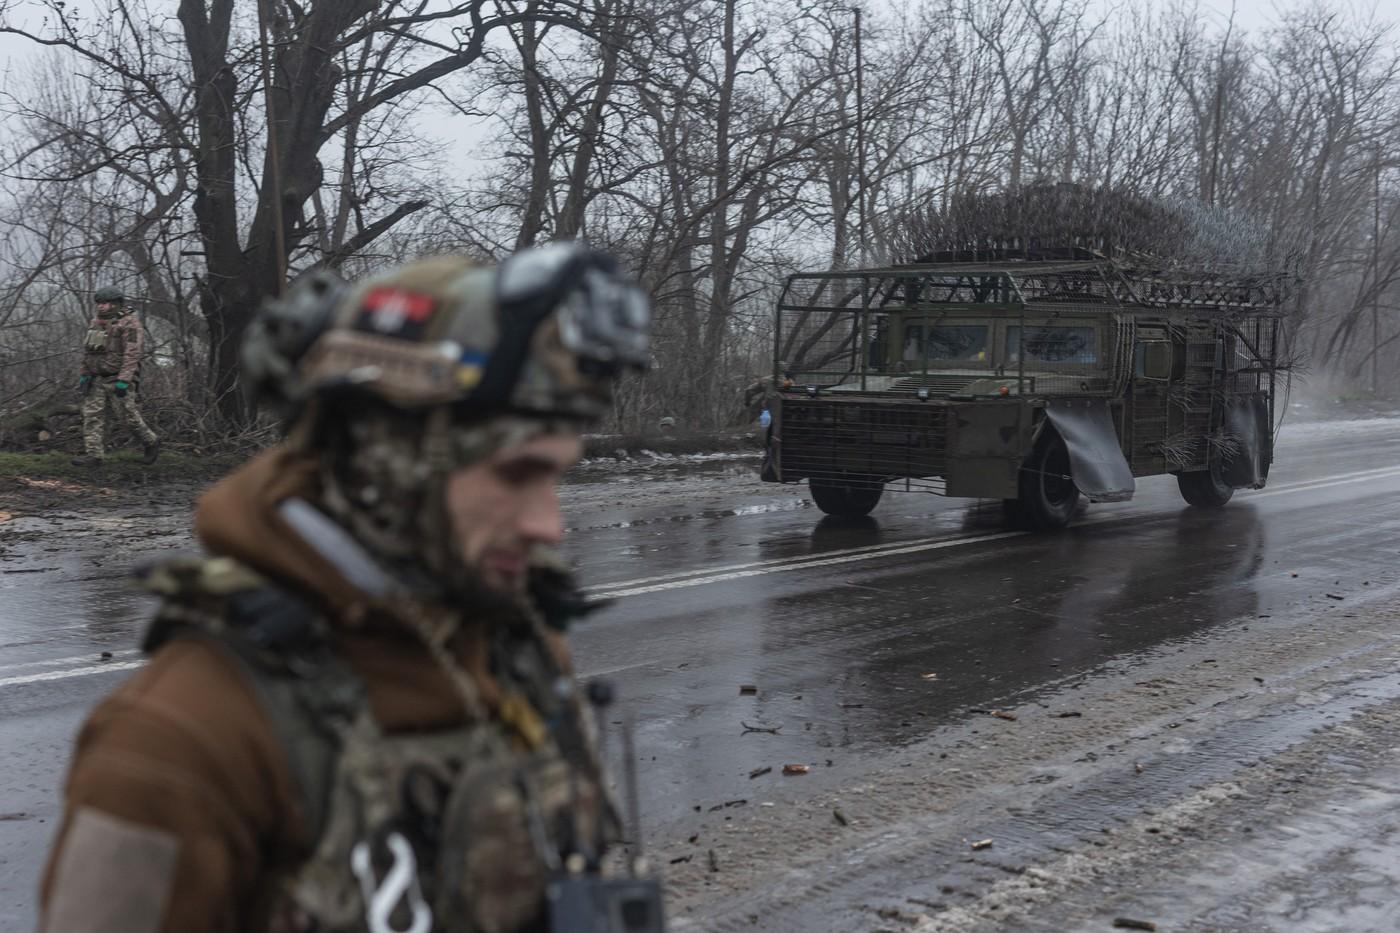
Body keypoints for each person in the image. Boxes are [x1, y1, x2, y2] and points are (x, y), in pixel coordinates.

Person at [38, 244, 656, 933]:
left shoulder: (518, 648)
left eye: (555, 475)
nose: (548, 524)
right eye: (515, 475)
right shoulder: (179, 742)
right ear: (388, 459)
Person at [73, 286, 160, 466]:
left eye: (105, 303)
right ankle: (94, 455)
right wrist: (84, 373)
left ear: (116, 304)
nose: (101, 306)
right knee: (92, 416)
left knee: (128, 418)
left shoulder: (130, 323)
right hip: (96, 377)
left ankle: (151, 441)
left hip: (117, 378)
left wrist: (124, 380)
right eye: (99, 303)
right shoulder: (96, 322)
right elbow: (89, 351)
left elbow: (132, 353)